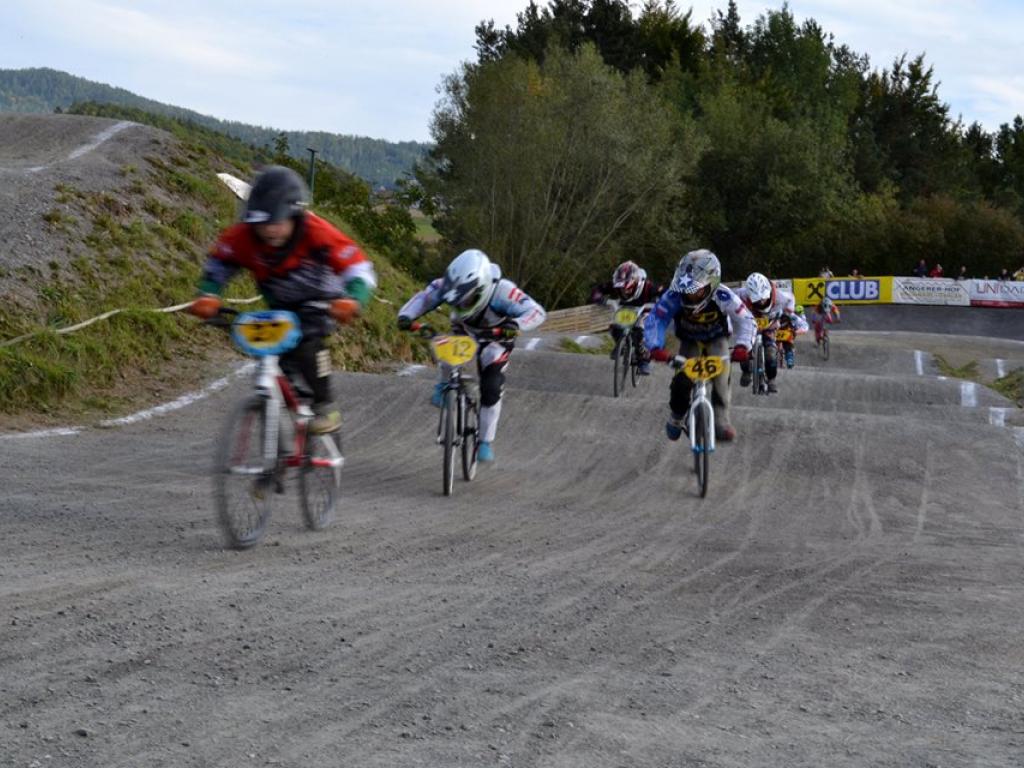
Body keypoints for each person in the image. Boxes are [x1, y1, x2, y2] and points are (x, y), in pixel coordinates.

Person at [189, 166, 376, 434]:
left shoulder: (316, 231)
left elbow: (358, 268)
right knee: (274, 354)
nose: (269, 231)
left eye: (277, 222)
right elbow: (219, 264)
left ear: (294, 215)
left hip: (322, 303)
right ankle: (285, 414)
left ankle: (325, 406)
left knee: (307, 344)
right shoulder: (243, 236)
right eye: (262, 224)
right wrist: (208, 295)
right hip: (280, 306)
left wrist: (353, 299)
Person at [397, 249, 546, 463]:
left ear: (482, 288)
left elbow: (536, 312)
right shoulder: (446, 284)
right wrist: (406, 315)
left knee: (491, 386)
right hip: (465, 330)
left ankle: (484, 441)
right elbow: (425, 298)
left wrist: (516, 324)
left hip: (497, 337)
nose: (460, 305)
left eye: (466, 301)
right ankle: (444, 384)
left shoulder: (503, 291)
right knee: (448, 351)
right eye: (455, 302)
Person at [643, 249, 754, 442]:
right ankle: (677, 416)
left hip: (717, 339)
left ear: (711, 283)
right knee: (682, 381)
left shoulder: (723, 296)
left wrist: (743, 346)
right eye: (686, 288)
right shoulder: (674, 295)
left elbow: (746, 319)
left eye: (696, 289)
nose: (690, 294)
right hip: (689, 340)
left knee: (722, 376)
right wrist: (655, 347)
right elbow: (656, 320)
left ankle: (721, 421)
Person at [589, 260, 663, 375]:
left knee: (641, 331)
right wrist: (599, 298)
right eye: (620, 287)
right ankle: (621, 344)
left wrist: (662, 303)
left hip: (645, 308)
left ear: (635, 282)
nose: (623, 290)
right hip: (625, 308)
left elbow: (664, 293)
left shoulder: (648, 286)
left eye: (626, 287)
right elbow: (598, 289)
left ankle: (643, 360)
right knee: (615, 327)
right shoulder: (615, 284)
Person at [735, 273, 807, 390]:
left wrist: (788, 311)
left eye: (763, 297)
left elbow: (791, 298)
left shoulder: (781, 296)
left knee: (771, 353)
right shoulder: (741, 294)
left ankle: (771, 379)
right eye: (757, 299)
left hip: (770, 324)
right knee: (744, 349)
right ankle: (746, 371)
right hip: (750, 323)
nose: (761, 301)